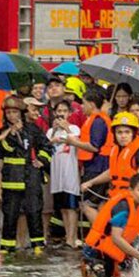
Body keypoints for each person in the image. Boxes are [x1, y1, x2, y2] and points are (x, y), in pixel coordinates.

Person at [0, 95, 53, 255]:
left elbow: (47, 146)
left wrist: (41, 160)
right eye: (8, 113)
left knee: (34, 211)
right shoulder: (2, 132)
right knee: (10, 215)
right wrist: (12, 135)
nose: (11, 116)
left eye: (14, 112)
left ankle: (38, 246)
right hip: (11, 179)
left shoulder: (32, 129)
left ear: (21, 113)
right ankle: (7, 248)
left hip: (30, 177)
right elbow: (1, 150)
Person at [81, 173, 139, 277]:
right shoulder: (123, 207)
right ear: (130, 190)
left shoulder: (137, 206)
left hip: (110, 256)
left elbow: (134, 225)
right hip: (96, 253)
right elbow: (116, 238)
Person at [63, 85, 113, 221]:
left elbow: (94, 146)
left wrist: (74, 142)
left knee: (87, 205)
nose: (81, 107)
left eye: (83, 104)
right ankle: (103, 238)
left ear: (91, 104)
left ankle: (101, 236)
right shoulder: (96, 119)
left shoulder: (98, 121)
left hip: (98, 166)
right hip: (97, 165)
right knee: (100, 204)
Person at [80, 112, 139, 195]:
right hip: (116, 193)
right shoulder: (116, 149)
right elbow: (112, 172)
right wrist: (91, 182)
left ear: (134, 133)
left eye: (127, 132)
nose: (123, 136)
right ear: (114, 134)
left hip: (132, 197)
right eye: (119, 132)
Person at [46, 98, 82, 248]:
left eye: (64, 111)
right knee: (62, 206)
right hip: (57, 172)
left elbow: (76, 141)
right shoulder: (50, 131)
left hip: (70, 171)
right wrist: (54, 131)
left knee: (71, 206)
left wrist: (66, 129)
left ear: (70, 113)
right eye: (59, 111)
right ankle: (68, 236)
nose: (61, 114)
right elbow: (46, 143)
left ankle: (72, 238)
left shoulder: (74, 129)